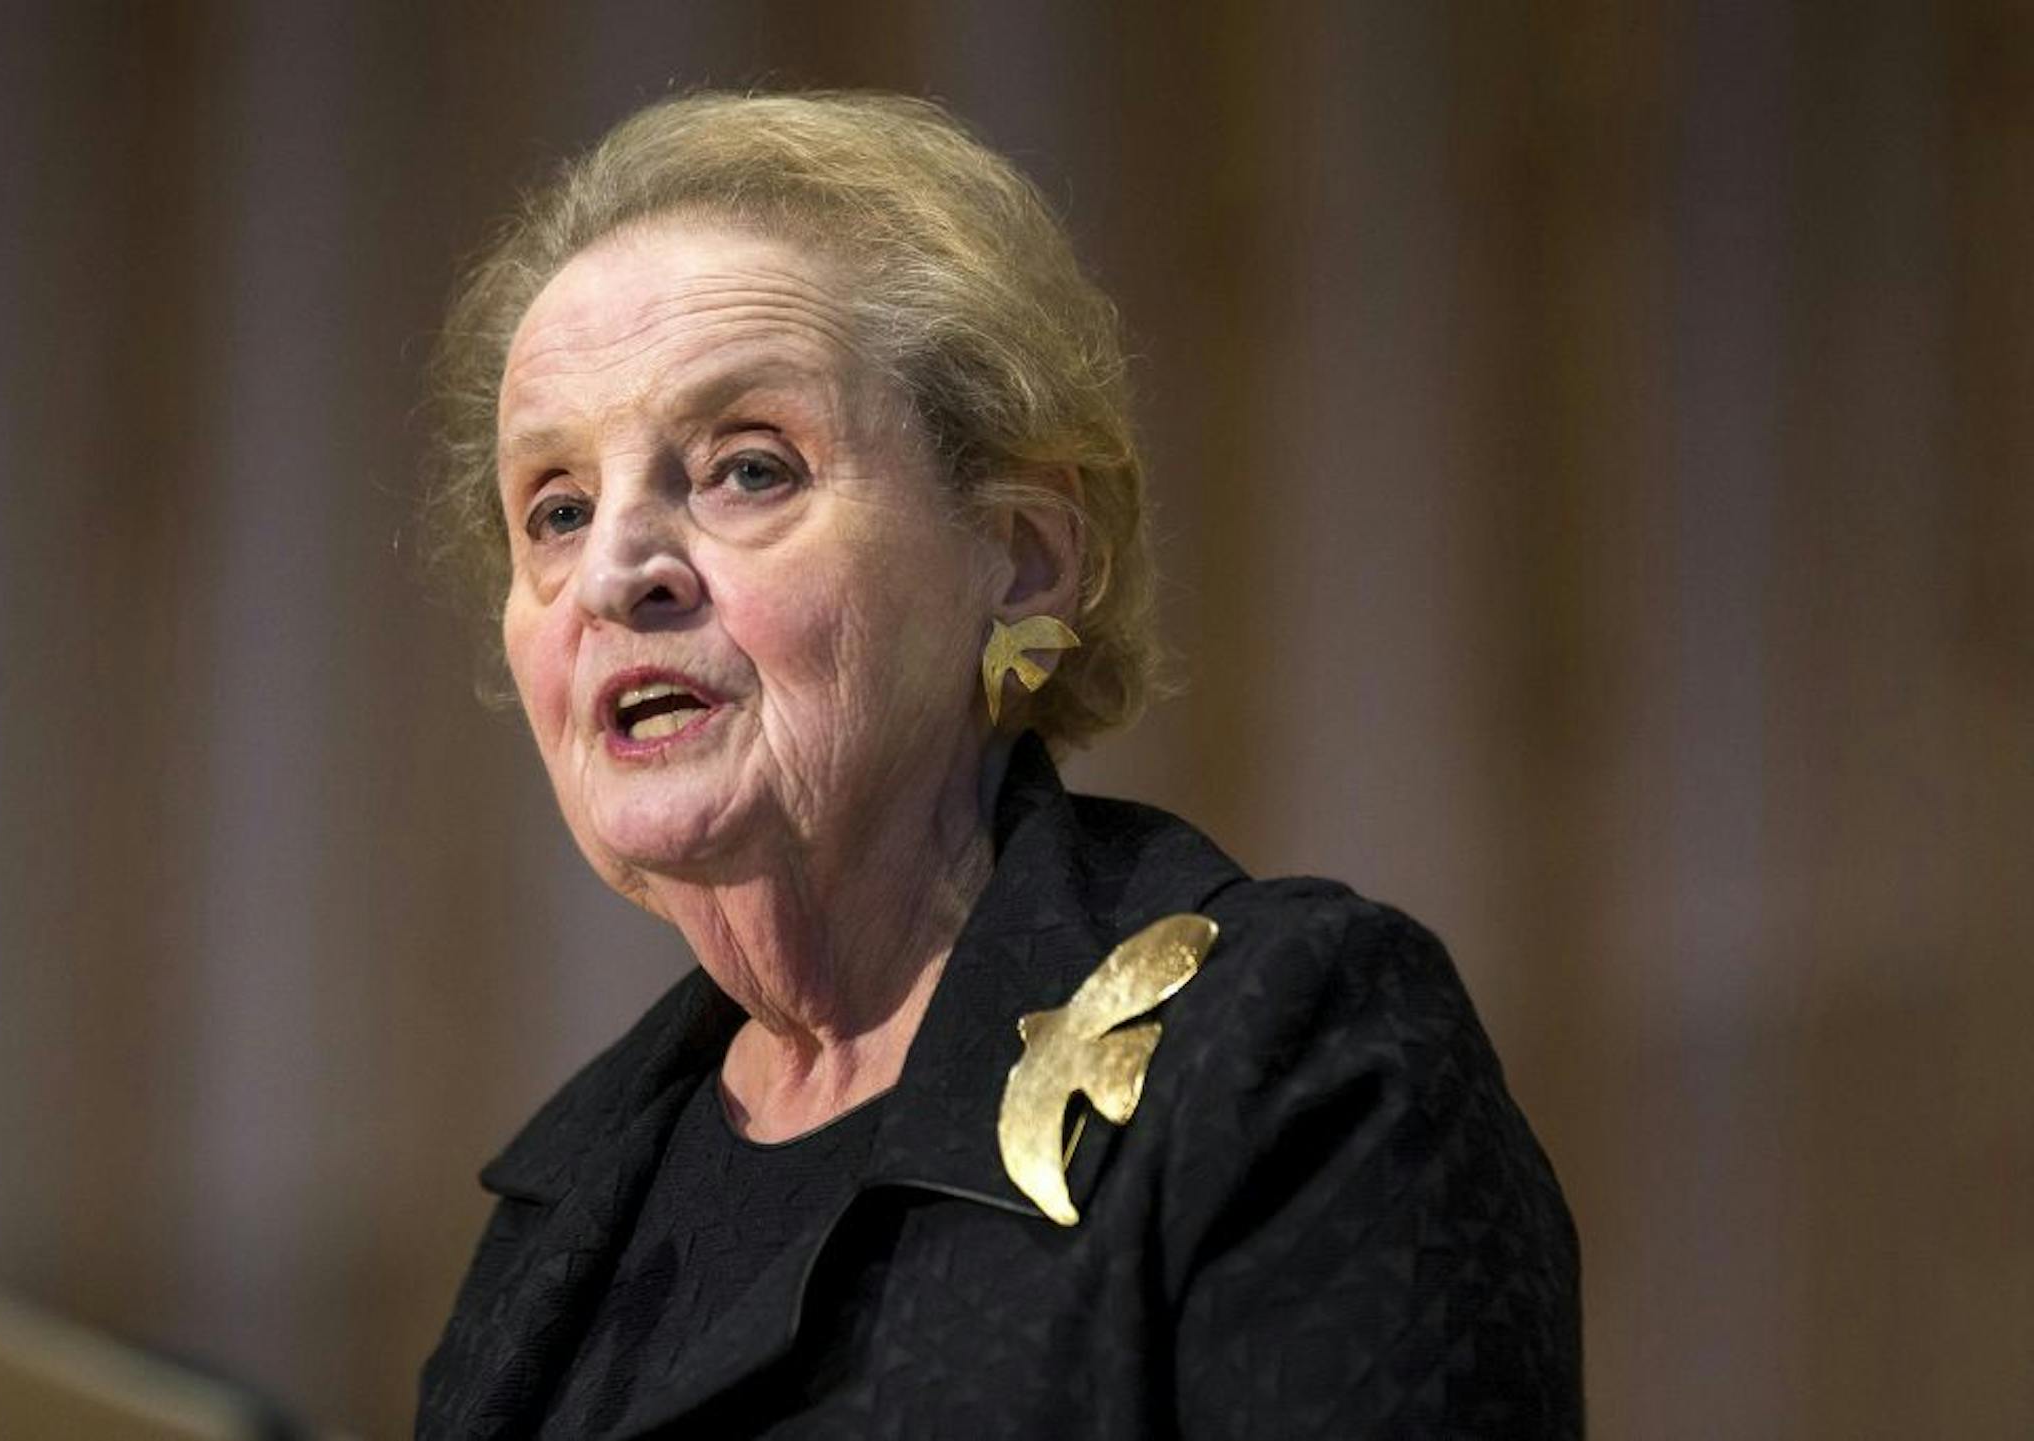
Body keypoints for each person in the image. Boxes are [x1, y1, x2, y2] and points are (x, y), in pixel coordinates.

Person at [415, 90, 1580, 1439]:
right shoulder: (559, 1218)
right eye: (555, 508)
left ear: (1021, 553)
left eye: (747, 469)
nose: (615, 571)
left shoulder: (1286, 1055)